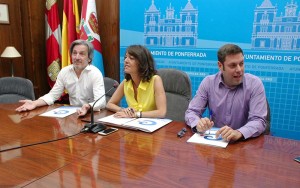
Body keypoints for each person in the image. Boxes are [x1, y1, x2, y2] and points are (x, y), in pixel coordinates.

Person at [185, 44, 267, 141]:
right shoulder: (208, 83)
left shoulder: (255, 84)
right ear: (220, 66)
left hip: (243, 144)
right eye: (233, 65)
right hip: (216, 141)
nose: (239, 70)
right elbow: (192, 112)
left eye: (241, 64)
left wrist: (239, 132)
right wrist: (198, 124)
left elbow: (258, 120)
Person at [15, 39, 106, 116]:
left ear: (89, 58)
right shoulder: (65, 72)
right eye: (74, 53)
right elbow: (53, 95)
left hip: (93, 115)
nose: (77, 57)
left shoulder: (95, 73)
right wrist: (35, 103)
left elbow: (101, 101)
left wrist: (88, 106)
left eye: (82, 54)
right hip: (74, 114)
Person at [106, 45, 166, 118]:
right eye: (125, 57)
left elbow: (162, 112)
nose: (126, 61)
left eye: (131, 58)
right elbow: (110, 104)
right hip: (133, 124)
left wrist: (136, 114)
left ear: (142, 63)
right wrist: (123, 110)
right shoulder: (126, 82)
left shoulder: (155, 80)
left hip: (152, 125)